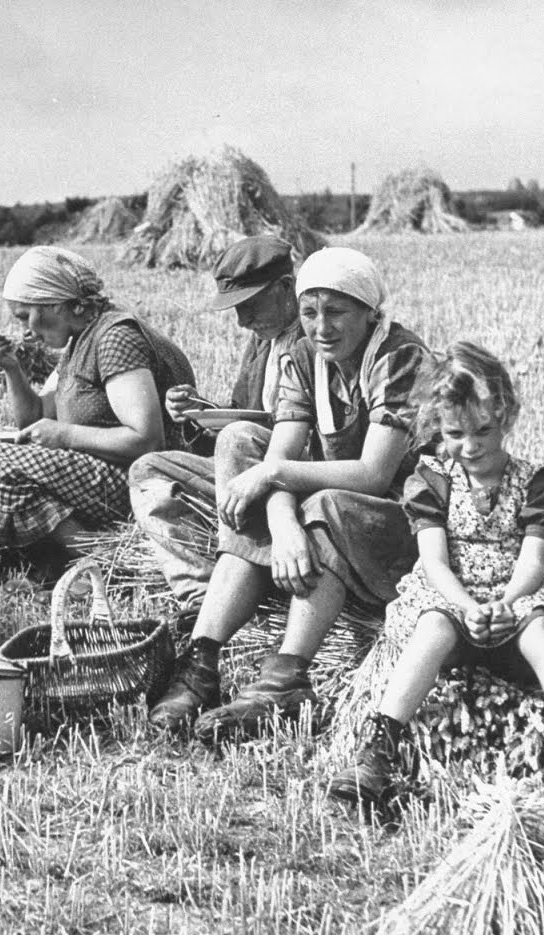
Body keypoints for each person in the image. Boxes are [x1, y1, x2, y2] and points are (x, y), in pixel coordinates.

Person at [329, 342, 544, 806]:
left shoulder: (536, 483)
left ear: (506, 417)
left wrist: (507, 605)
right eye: (454, 433)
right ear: (437, 428)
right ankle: (380, 746)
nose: (470, 446)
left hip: (512, 596)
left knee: (542, 629)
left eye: (483, 430)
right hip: (450, 597)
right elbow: (434, 563)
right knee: (432, 624)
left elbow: (533, 562)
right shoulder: (432, 481)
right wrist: (468, 608)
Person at [148, 246, 429, 739]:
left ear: (370, 312)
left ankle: (287, 676)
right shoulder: (304, 357)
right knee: (238, 439)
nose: (322, 327)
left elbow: (373, 475)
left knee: (324, 501)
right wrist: (283, 527)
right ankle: (202, 662)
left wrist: (275, 481)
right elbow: (278, 453)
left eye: (337, 312)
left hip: (409, 525)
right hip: (336, 507)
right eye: (310, 312)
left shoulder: (399, 357)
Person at [0, 246, 194, 571]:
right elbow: (35, 419)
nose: (26, 329)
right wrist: (11, 368)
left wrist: (65, 435)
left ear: (54, 302)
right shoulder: (80, 341)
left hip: (144, 481)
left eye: (26, 315)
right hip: (103, 471)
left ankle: (103, 559)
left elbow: (147, 442)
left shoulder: (115, 339)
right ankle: (69, 558)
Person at [128, 235, 304, 618]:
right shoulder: (263, 341)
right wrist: (199, 412)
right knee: (148, 470)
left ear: (287, 288)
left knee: (237, 438)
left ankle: (237, 569)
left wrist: (239, 432)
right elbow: (242, 413)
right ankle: (202, 596)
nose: (242, 322)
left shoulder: (320, 338)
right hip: (244, 472)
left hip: (293, 477)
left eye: (250, 306)